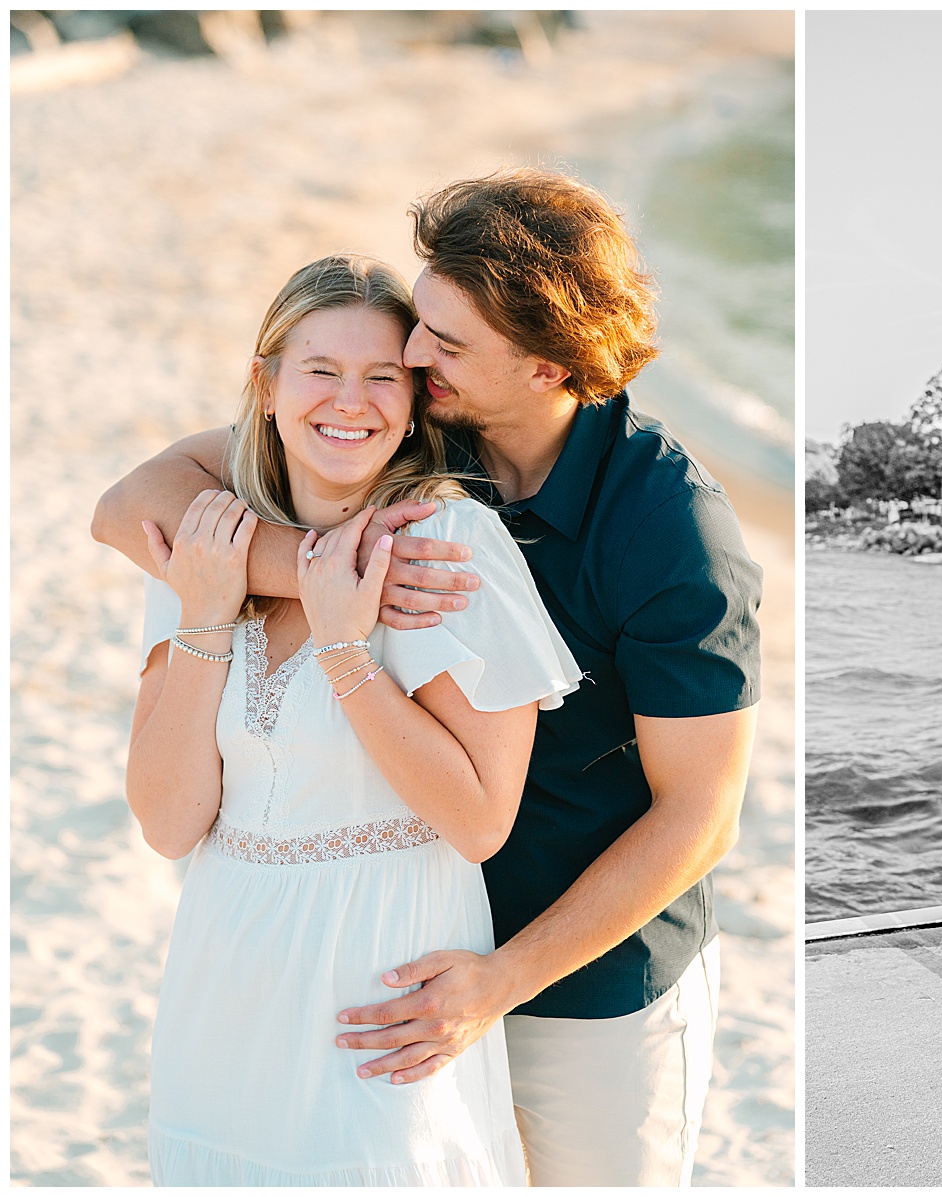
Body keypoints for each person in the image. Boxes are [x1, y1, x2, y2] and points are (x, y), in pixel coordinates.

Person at [93, 169, 761, 1186]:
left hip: (582, 973)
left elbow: (700, 816)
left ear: (543, 369)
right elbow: (132, 500)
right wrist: (318, 571)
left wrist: (502, 980)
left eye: (442, 345)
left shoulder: (671, 531)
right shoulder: (416, 415)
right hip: (405, 937)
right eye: (422, 327)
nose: (409, 354)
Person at [125, 253, 584, 1183]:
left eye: (384, 376)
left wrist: (346, 653)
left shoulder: (448, 547)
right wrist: (207, 613)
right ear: (266, 386)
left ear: (417, 402)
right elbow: (170, 823)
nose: (353, 401)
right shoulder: (209, 544)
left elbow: (478, 819)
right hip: (224, 996)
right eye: (321, 370)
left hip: (381, 1005)